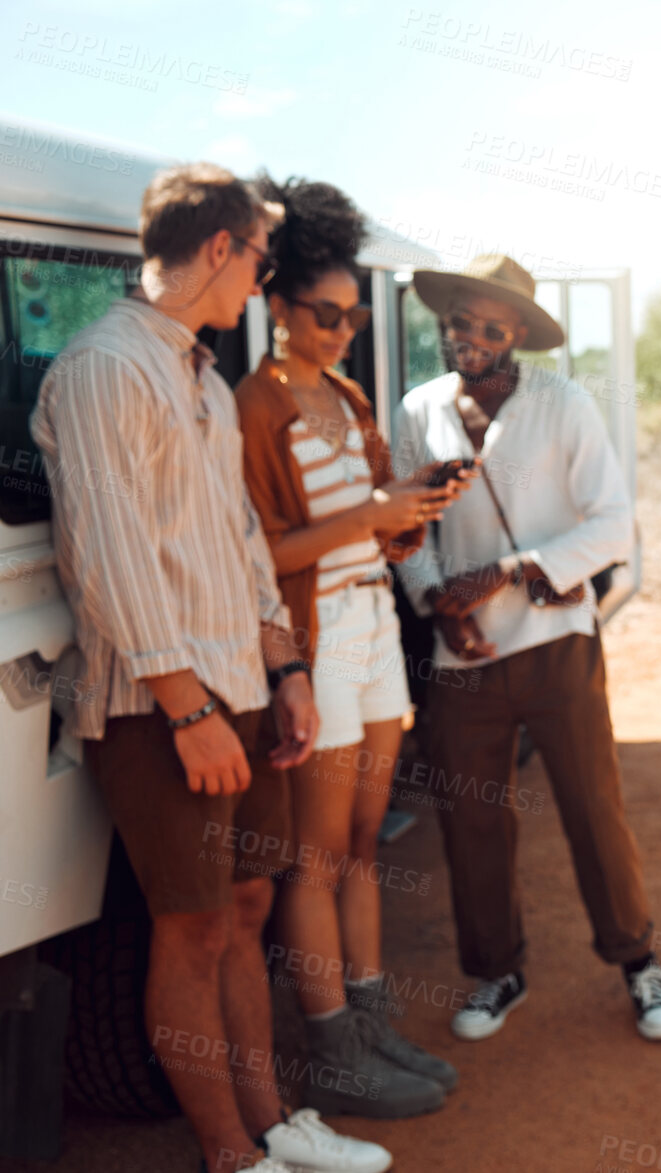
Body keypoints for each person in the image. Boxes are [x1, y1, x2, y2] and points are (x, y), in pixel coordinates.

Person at [30, 162, 395, 1173]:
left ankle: (276, 1126)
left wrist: (284, 669)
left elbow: (237, 540)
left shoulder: (194, 371)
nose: (261, 284)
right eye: (259, 260)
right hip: (160, 705)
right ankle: (233, 1154)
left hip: (237, 689)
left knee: (245, 907)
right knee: (188, 929)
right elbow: (107, 556)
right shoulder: (108, 368)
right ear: (221, 250)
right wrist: (188, 708)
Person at [390, 253, 661, 1044]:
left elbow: (610, 522)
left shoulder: (564, 404)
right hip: (465, 654)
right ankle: (497, 971)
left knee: (592, 806)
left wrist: (512, 568)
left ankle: (639, 961)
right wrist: (431, 602)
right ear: (445, 323)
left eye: (491, 324)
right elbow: (405, 528)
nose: (472, 336)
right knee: (471, 818)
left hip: (558, 640)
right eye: (460, 320)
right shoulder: (417, 410)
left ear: (516, 332)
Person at [234, 173, 473, 1119]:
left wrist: (410, 512)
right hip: (313, 640)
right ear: (278, 304)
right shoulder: (255, 404)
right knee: (314, 856)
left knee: (363, 841)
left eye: (351, 316)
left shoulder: (344, 394)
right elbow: (257, 552)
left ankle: (369, 1028)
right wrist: (373, 513)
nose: (342, 330)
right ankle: (333, 1048)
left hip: (373, 626)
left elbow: (374, 523)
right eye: (324, 314)